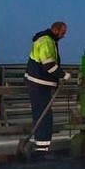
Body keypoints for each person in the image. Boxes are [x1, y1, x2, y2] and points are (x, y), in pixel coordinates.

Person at [24, 21, 70, 155]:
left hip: (38, 83)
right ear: (56, 30)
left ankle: (41, 146)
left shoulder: (46, 39)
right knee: (44, 117)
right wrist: (64, 75)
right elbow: (49, 65)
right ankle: (42, 149)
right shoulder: (46, 41)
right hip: (39, 84)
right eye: (62, 33)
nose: (63, 36)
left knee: (41, 115)